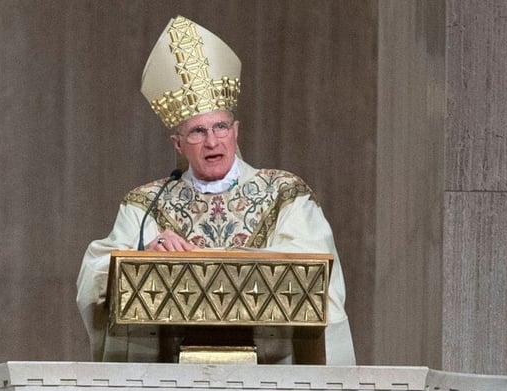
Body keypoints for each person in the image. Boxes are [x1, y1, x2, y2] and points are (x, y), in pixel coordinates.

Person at [76, 15, 355, 365]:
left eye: (220, 126)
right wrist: (145, 254)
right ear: (177, 144)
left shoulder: (286, 195)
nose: (212, 141)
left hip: (270, 377)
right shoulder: (146, 204)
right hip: (170, 380)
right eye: (197, 131)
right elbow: (94, 276)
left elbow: (317, 280)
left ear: (236, 131)